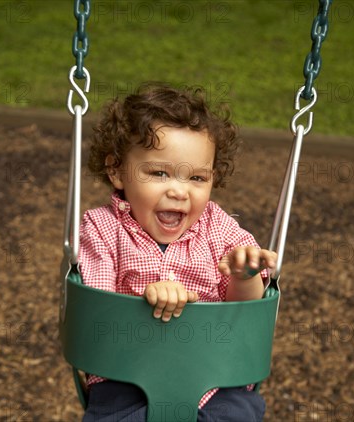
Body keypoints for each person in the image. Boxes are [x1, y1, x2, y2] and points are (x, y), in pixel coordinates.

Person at [79, 83, 277, 421]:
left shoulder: (221, 228)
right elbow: (97, 311)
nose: (179, 191)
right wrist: (145, 300)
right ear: (116, 171)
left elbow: (245, 319)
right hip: (125, 378)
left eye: (197, 178)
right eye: (159, 173)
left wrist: (244, 277)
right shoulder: (102, 229)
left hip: (216, 378)